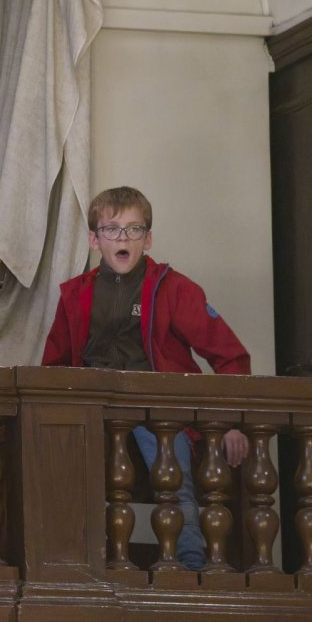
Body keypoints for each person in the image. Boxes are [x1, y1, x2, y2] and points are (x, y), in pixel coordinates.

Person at [42, 185, 251, 571]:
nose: (123, 238)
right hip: (92, 408)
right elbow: (52, 368)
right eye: (112, 229)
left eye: (134, 229)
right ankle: (73, 564)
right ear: (94, 239)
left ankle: (187, 563)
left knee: (171, 475)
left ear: (148, 238)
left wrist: (233, 420)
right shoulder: (75, 295)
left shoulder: (173, 289)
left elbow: (231, 356)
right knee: (60, 462)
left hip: (157, 407)